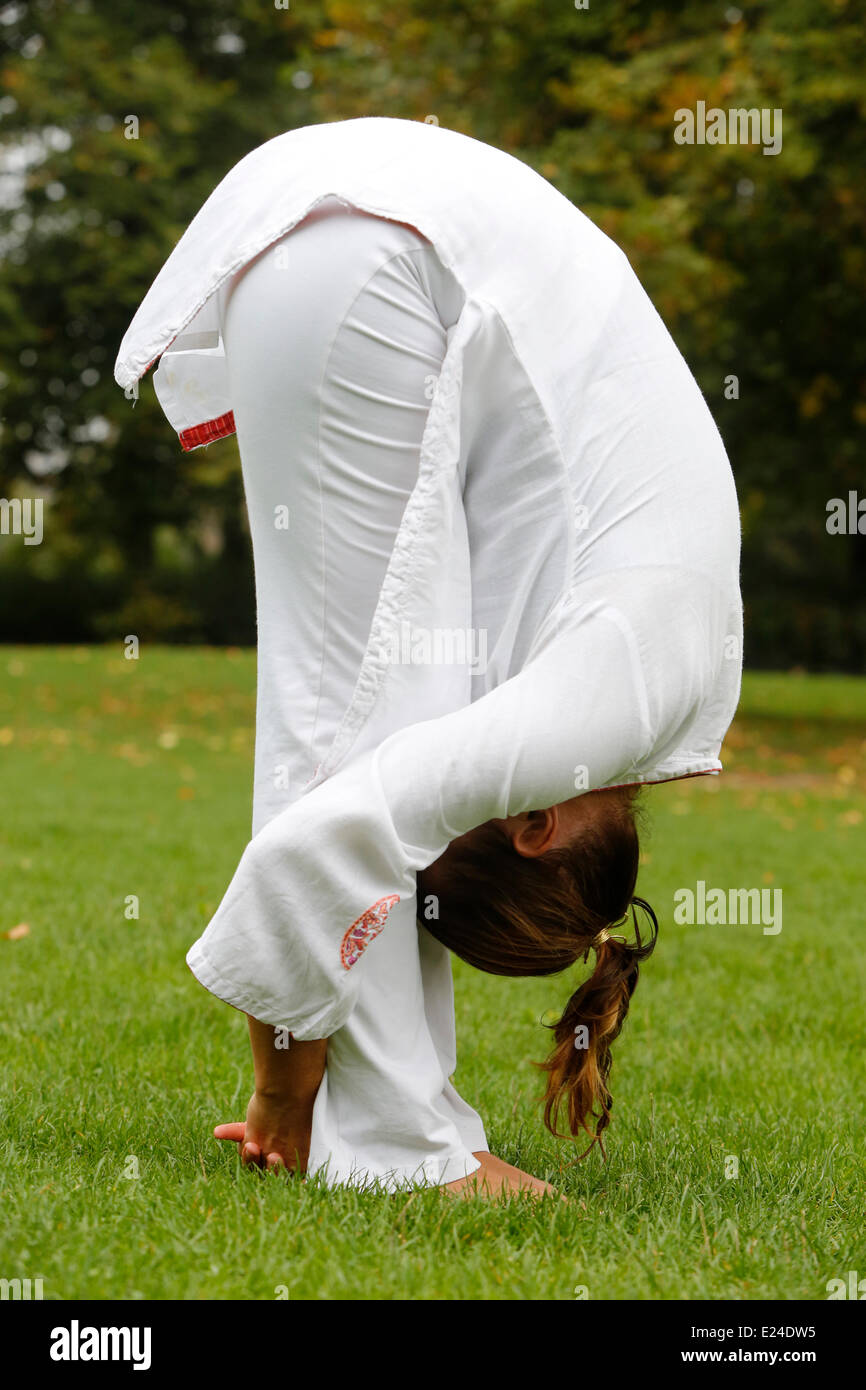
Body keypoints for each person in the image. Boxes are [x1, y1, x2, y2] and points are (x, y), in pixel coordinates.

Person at [114, 118, 743, 1198]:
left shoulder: (648, 682)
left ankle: (399, 1133)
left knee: (374, 702)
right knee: (350, 712)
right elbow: (330, 827)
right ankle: (402, 1152)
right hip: (373, 256)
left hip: (368, 235)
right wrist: (283, 1088)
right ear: (536, 822)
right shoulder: (610, 703)